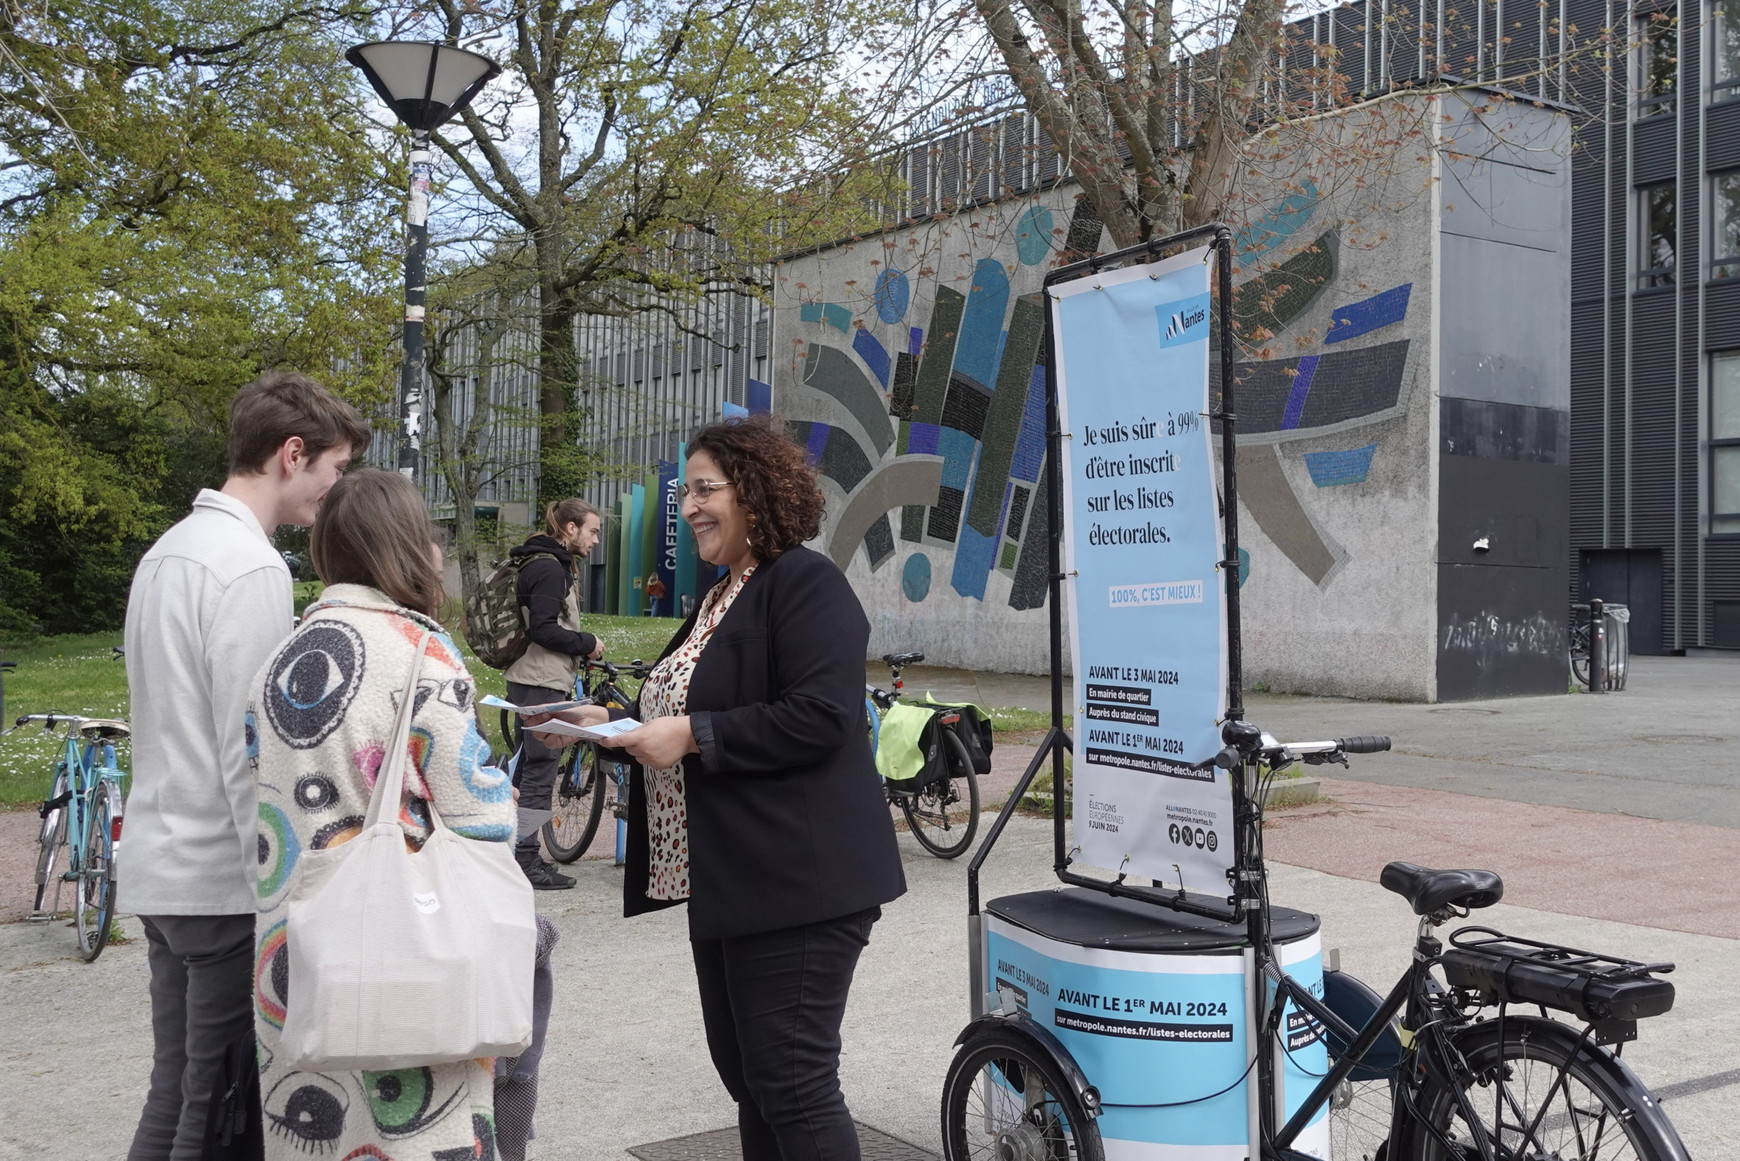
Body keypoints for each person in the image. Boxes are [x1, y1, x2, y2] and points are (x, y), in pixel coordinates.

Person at [532, 414, 906, 1160]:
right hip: (731, 880)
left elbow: (825, 715)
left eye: (707, 488)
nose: (691, 506)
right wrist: (598, 719)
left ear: (757, 493)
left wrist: (699, 734)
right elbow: (671, 708)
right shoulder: (719, 597)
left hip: (801, 879)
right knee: (752, 1080)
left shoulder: (804, 582)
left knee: (793, 1083)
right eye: (686, 492)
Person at [122, 371, 368, 1161]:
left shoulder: (169, 553)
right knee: (220, 1109)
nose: (334, 491)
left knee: (177, 1094)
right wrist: (282, 890)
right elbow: (251, 751)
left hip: (164, 864)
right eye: (333, 470)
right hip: (222, 881)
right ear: (291, 454)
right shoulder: (252, 566)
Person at [249, 469, 519, 1160]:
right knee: (419, 1126)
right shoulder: (419, 651)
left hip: (298, 954)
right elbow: (475, 811)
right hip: (405, 944)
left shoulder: (281, 655)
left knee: (315, 1128)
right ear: (405, 544)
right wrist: (506, 796)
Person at [503, 498, 605, 889]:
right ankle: (526, 860)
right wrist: (587, 642)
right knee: (540, 772)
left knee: (533, 767)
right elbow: (544, 629)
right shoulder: (548, 568)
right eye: (593, 531)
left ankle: (521, 855)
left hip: (536, 679)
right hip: (540, 681)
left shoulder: (545, 561)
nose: (596, 540)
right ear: (570, 528)